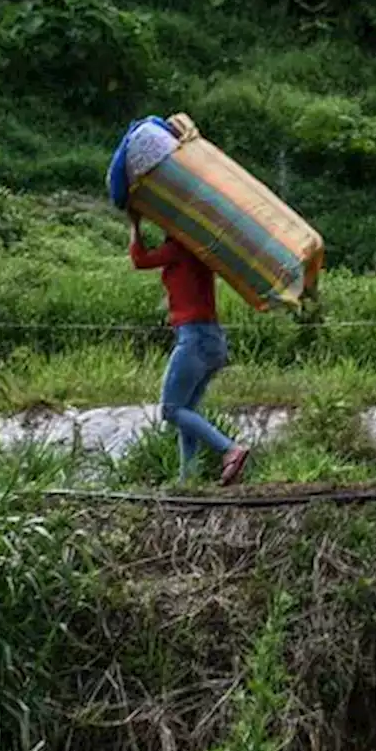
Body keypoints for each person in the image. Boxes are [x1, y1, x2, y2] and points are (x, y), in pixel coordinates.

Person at [107, 119, 250, 486]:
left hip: (195, 338)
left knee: (171, 410)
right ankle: (187, 479)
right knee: (188, 409)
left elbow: (139, 259)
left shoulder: (178, 249)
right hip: (214, 339)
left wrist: (135, 223)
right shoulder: (200, 247)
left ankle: (229, 449)